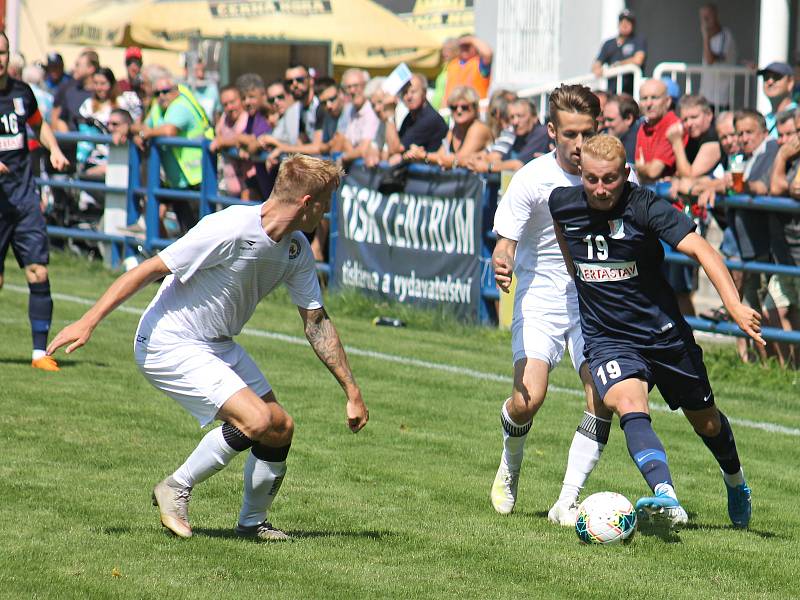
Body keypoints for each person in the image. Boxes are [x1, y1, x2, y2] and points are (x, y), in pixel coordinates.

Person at [46, 154, 369, 541]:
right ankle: (175, 487)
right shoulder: (230, 228)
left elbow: (316, 322)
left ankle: (252, 523)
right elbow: (150, 268)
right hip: (169, 340)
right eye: (327, 202)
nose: (328, 212)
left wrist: (351, 391)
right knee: (255, 420)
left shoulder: (296, 249)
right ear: (307, 203)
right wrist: (88, 321)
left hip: (215, 342)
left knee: (279, 427)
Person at [548, 134, 759, 529]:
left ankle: (735, 481)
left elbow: (702, 249)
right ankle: (667, 497)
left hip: (664, 335)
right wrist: (580, 281)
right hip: (609, 337)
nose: (599, 188)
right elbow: (566, 238)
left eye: (609, 179)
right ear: (580, 173)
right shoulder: (562, 203)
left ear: (625, 173)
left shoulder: (646, 207)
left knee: (707, 423)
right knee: (629, 406)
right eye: (591, 179)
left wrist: (733, 304)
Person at [489, 85, 634, 526]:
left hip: (592, 301)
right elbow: (505, 242)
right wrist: (503, 260)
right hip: (541, 296)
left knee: (602, 396)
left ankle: (566, 501)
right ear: (552, 131)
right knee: (528, 399)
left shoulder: (614, 176)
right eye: (569, 134)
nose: (578, 144)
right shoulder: (533, 177)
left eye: (586, 133)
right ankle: (510, 467)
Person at [0, 31, 70, 371]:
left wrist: (54, 149)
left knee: (38, 272)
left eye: (3, 52)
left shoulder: (21, 92)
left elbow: (38, 125)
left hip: (23, 199)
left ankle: (39, 354)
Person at [129, 71, 213, 234]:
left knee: (196, 233)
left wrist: (147, 133)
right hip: (178, 180)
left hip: (195, 179)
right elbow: (145, 126)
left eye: (166, 91)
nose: (161, 96)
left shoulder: (180, 105)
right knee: (154, 205)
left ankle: (164, 249)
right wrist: (140, 133)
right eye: (157, 93)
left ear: (176, 90)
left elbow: (169, 131)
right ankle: (161, 248)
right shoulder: (159, 107)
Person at [470, 97, 550, 174]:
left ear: (534, 117)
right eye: (512, 117)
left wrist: (488, 167)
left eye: (520, 116)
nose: (515, 122)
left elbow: (517, 164)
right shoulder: (516, 135)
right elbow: (496, 158)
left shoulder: (542, 133)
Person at [385, 74, 448, 165]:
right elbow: (392, 149)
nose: (409, 96)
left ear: (424, 93)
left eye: (413, 91)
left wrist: (390, 116)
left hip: (434, 176)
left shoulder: (429, 118)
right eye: (405, 92)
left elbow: (396, 149)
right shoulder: (410, 117)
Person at [635, 78, 687, 183]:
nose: (649, 103)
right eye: (644, 99)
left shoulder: (673, 126)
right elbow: (639, 170)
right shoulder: (643, 127)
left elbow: (653, 172)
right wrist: (643, 169)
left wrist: (642, 168)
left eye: (654, 98)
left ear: (667, 101)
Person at [427, 86, 491, 169]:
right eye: (454, 107)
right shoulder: (454, 130)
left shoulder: (479, 128)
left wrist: (425, 156)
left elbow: (459, 158)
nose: (459, 110)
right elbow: (440, 155)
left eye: (464, 107)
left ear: (475, 108)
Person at [591, 9, 646, 95]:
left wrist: (618, 65)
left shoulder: (638, 40)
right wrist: (597, 69)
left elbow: (638, 60)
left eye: (628, 22)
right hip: (612, 92)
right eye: (622, 22)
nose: (625, 25)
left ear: (633, 25)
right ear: (618, 23)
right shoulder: (608, 43)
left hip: (631, 92)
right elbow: (597, 63)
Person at [210, 84, 250, 198]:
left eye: (233, 102)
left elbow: (246, 139)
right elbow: (217, 135)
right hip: (227, 186)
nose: (229, 107)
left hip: (247, 186)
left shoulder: (248, 119)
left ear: (241, 100)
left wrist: (222, 142)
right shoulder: (224, 119)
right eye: (225, 104)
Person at [698, 3, 737, 113]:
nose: (705, 20)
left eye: (708, 16)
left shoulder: (726, 36)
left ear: (715, 16)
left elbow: (710, 60)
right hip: (705, 98)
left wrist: (705, 37)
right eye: (702, 17)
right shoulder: (709, 38)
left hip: (721, 99)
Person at [51, 49, 99, 133]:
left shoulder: (101, 93)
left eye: (78, 65)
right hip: (73, 144)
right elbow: (59, 119)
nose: (74, 68)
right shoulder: (69, 90)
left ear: (91, 68)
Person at [340, 68, 380, 164]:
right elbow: (345, 142)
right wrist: (352, 153)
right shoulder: (350, 110)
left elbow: (363, 149)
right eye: (348, 87)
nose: (352, 90)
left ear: (365, 86)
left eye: (356, 86)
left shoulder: (372, 110)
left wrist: (344, 158)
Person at [443, 34, 493, 102]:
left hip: (475, 108)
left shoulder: (480, 64)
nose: (464, 48)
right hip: (453, 108)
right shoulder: (453, 64)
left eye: (468, 45)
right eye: (462, 46)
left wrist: (470, 39)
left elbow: (488, 53)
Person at [757, 62, 796, 138]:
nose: (770, 82)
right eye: (766, 77)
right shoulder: (763, 119)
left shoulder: (797, 115)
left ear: (790, 82)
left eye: (777, 77)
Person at [603, 93, 640, 164]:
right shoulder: (605, 135)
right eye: (605, 119)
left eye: (610, 119)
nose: (606, 124)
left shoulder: (638, 143)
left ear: (628, 119)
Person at [284, 63, 318, 141]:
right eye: (290, 82)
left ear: (311, 80)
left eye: (299, 80)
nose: (295, 84)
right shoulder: (293, 111)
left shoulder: (323, 105)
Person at [431, 38, 458, 110]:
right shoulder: (444, 66)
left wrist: (444, 107)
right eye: (443, 49)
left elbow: (452, 90)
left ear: (456, 51)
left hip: (445, 109)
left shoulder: (456, 67)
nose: (444, 53)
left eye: (448, 49)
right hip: (437, 108)